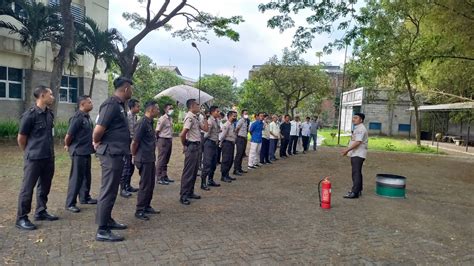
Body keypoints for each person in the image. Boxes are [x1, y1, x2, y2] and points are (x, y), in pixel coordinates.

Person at [93, 76, 134, 242]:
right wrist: (96, 142)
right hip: (110, 153)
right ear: (125, 89)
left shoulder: (119, 106)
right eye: (131, 88)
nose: (132, 91)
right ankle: (102, 230)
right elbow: (98, 129)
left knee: (111, 190)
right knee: (108, 190)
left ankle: (107, 220)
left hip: (116, 153)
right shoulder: (111, 104)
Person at [16, 86, 58, 230]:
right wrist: (28, 152)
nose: (53, 97)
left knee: (44, 186)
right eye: (50, 94)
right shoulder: (30, 115)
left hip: (48, 157)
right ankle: (21, 218)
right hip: (34, 158)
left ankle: (41, 211)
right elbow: (21, 138)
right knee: (27, 188)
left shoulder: (49, 114)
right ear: (42, 96)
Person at [64, 95, 97, 214]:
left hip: (86, 151)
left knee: (86, 176)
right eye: (89, 102)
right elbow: (69, 136)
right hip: (78, 151)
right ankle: (70, 203)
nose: (91, 104)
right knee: (76, 177)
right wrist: (68, 145)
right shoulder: (77, 117)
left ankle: (85, 197)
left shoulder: (87, 117)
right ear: (82, 104)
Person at [131, 101, 161, 221]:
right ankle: (139, 210)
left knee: (150, 184)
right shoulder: (142, 123)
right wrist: (134, 156)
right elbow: (135, 142)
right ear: (151, 110)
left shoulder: (150, 122)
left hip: (149, 157)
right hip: (143, 158)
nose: (158, 110)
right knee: (144, 185)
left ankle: (147, 206)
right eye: (157, 108)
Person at [179, 99, 209, 205]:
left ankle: (190, 192)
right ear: (192, 106)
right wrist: (185, 144)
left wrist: (205, 116)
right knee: (188, 172)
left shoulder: (195, 117)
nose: (199, 106)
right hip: (191, 146)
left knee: (194, 171)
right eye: (197, 104)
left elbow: (205, 129)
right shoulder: (190, 117)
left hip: (197, 146)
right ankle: (183, 195)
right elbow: (182, 134)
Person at [341, 113, 368, 199]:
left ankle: (355, 192)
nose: (353, 119)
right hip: (357, 153)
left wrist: (347, 150)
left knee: (355, 173)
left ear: (361, 120)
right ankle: (358, 190)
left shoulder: (360, 129)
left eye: (356, 118)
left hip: (358, 154)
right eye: (353, 117)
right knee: (358, 173)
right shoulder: (358, 128)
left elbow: (358, 142)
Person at [120, 99, 140, 198]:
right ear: (131, 107)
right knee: (126, 166)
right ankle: (122, 188)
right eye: (137, 106)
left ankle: (128, 185)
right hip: (127, 142)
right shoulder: (126, 116)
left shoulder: (135, 117)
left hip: (133, 141)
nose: (139, 108)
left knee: (131, 165)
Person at [200, 106, 221, 190]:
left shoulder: (216, 120)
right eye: (217, 111)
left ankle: (210, 180)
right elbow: (206, 134)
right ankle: (203, 183)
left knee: (213, 163)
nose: (219, 113)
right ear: (212, 112)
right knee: (207, 164)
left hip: (215, 144)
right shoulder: (210, 121)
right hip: (209, 143)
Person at [155, 103, 175, 185]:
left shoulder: (170, 118)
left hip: (169, 140)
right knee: (161, 159)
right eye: (169, 108)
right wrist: (158, 140)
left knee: (166, 159)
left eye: (172, 108)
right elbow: (157, 131)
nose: (171, 110)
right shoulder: (162, 119)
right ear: (165, 109)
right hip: (163, 140)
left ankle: (164, 175)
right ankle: (159, 177)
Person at [220, 111, 237, 182]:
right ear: (229, 116)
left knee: (230, 160)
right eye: (234, 116)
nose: (235, 118)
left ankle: (227, 174)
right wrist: (221, 143)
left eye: (236, 116)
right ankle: (223, 176)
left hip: (231, 143)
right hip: (226, 143)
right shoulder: (226, 125)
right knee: (226, 160)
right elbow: (222, 135)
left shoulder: (232, 124)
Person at [233, 110, 249, 175]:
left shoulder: (246, 121)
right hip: (240, 138)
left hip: (244, 138)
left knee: (242, 154)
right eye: (245, 113)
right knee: (239, 154)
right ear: (242, 114)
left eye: (247, 113)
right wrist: (236, 137)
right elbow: (236, 129)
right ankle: (236, 169)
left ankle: (239, 168)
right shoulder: (241, 121)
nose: (246, 115)